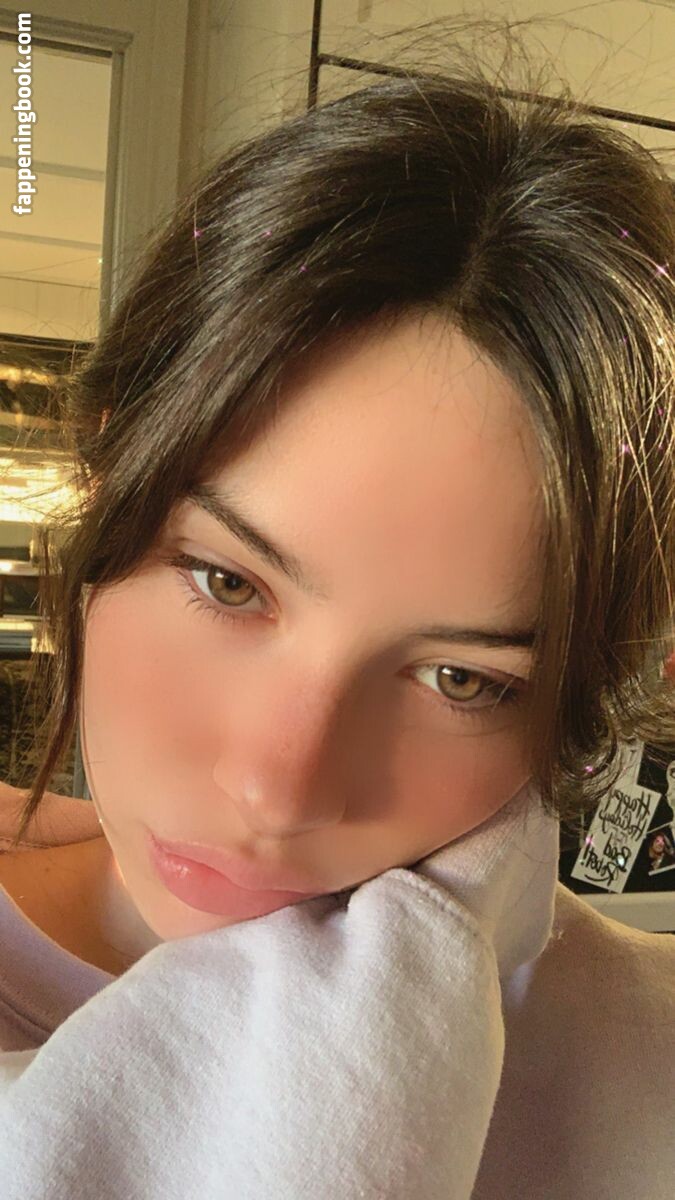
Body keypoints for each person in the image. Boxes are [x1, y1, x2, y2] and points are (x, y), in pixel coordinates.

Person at [0, 41, 673, 1200]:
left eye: (462, 678)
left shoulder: (641, 1065)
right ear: (107, 480)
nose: (279, 790)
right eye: (228, 584)